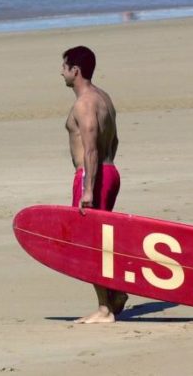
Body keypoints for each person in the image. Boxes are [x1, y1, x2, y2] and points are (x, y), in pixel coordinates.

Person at [60, 46, 127, 323]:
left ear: (75, 70)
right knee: (101, 240)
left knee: (90, 243)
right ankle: (114, 294)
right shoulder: (104, 98)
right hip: (109, 171)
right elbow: (114, 141)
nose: (61, 72)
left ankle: (104, 309)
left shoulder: (84, 103)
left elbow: (90, 149)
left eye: (64, 66)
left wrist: (88, 188)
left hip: (93, 175)